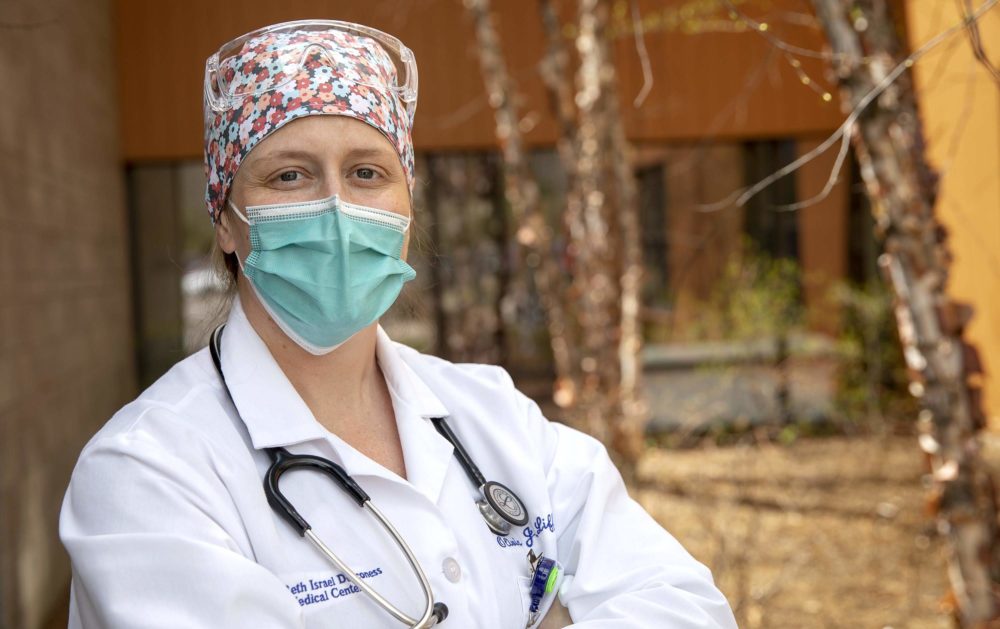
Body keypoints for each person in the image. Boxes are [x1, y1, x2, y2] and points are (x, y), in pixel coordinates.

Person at [59, 19, 737, 629]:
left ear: (406, 213)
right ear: (228, 225)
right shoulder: (146, 473)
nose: (337, 209)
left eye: (366, 171)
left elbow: (686, 604)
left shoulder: (496, 416)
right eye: (289, 175)